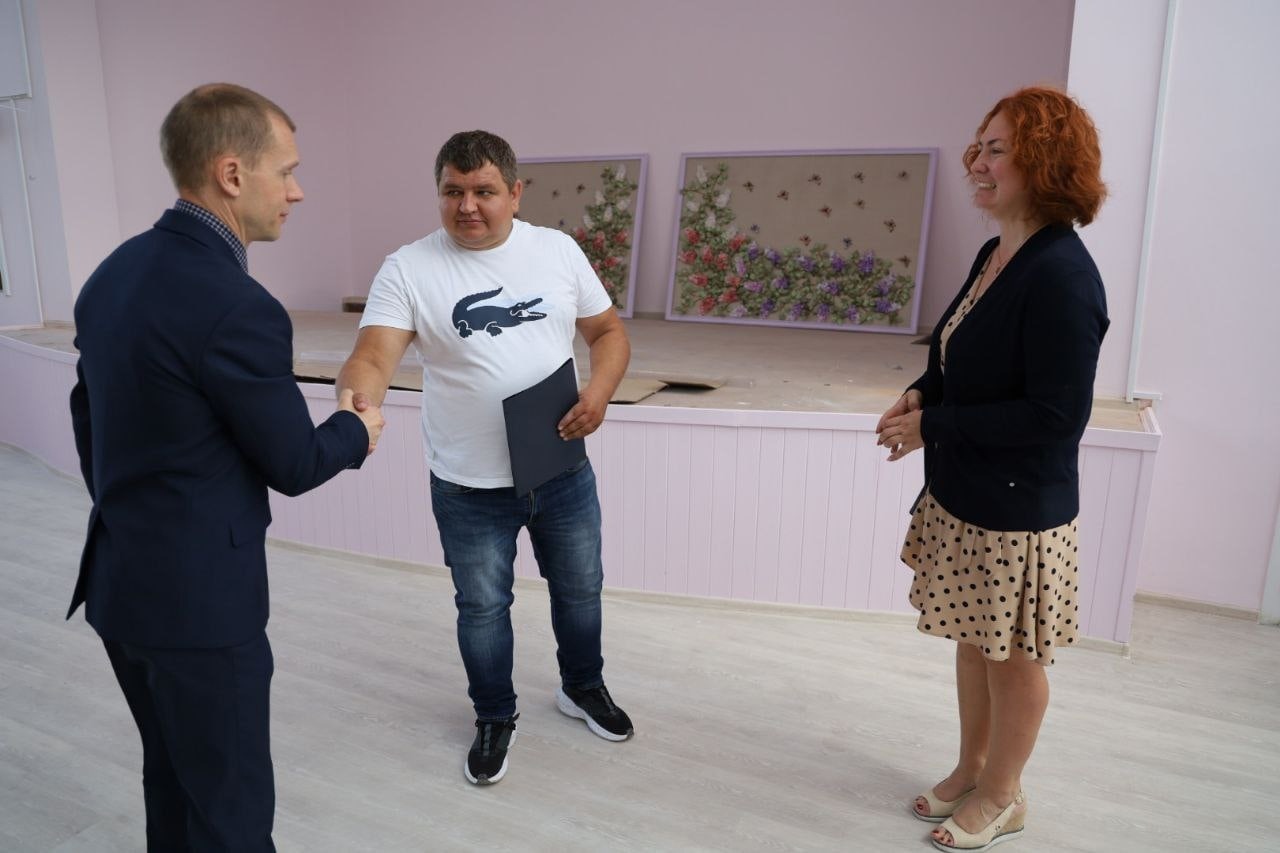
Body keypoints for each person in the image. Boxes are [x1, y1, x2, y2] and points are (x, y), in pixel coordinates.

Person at [67, 83, 384, 851]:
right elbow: (294, 461)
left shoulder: (113, 274)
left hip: (120, 586)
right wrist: (356, 428)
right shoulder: (239, 306)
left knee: (172, 783)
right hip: (200, 612)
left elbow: (87, 419)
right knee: (231, 817)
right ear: (233, 174)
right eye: (288, 171)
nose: (297, 191)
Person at [336, 130, 633, 786]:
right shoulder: (409, 267)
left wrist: (600, 391)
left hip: (559, 466)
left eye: (483, 191)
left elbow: (607, 331)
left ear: (515, 193)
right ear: (438, 193)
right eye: (453, 191)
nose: (467, 205)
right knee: (482, 608)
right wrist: (356, 403)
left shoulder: (557, 251)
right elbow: (373, 354)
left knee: (581, 588)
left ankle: (582, 686)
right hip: (469, 483)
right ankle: (495, 715)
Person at [875, 86, 1109, 851]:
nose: (976, 161)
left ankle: (1006, 795)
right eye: (978, 146)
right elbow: (956, 345)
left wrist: (933, 425)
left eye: (996, 149)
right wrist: (922, 393)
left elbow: (1054, 417)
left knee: (1013, 659)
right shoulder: (997, 252)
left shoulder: (1064, 277)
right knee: (975, 640)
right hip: (968, 492)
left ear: (1044, 162)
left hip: (1018, 510)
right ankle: (974, 767)